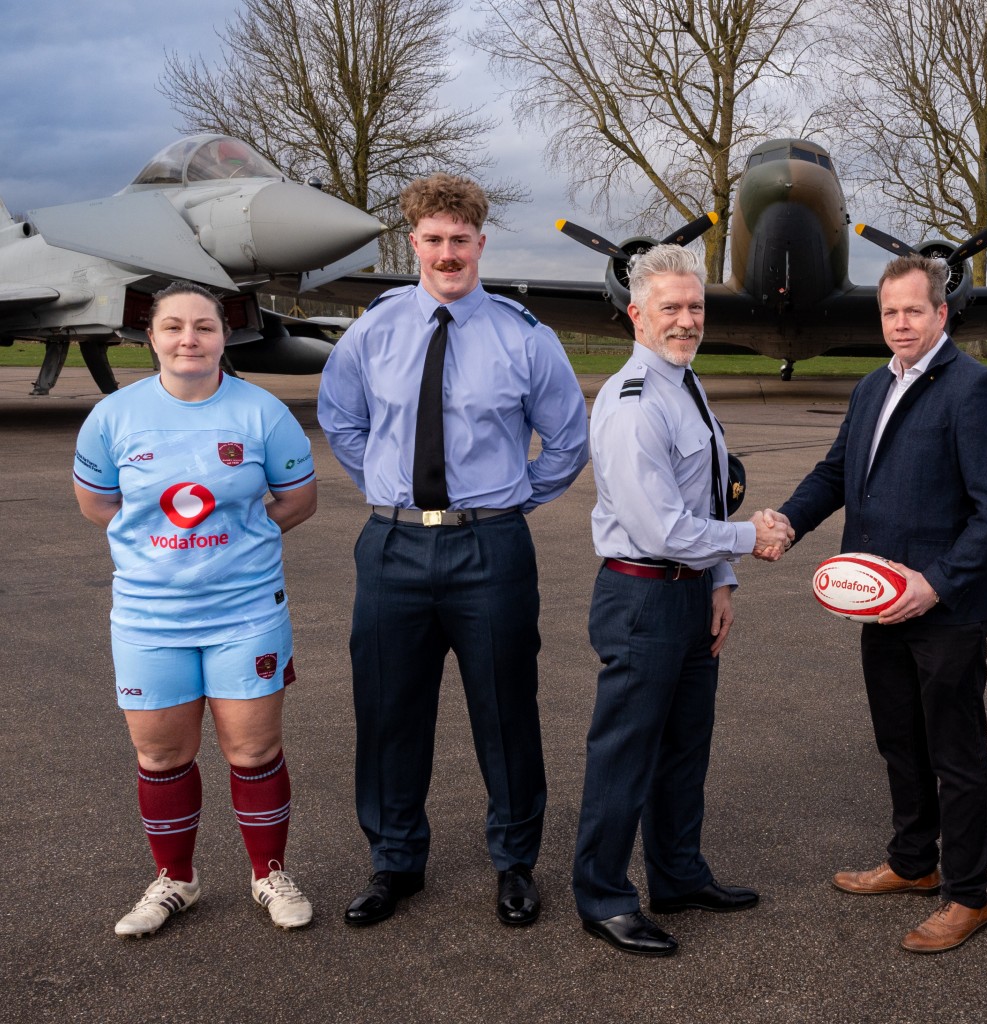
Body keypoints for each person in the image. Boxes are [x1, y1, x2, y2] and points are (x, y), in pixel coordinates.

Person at [317, 173, 589, 928]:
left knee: (505, 711)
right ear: (413, 243)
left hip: (491, 550)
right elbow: (341, 419)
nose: (446, 254)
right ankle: (394, 861)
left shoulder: (523, 334)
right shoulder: (372, 329)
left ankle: (514, 862)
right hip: (393, 546)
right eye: (433, 240)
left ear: (480, 243)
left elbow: (568, 439)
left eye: (459, 241)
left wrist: (508, 502)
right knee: (387, 709)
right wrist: (386, 488)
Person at [763, 254, 987, 954]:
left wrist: (934, 583)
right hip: (876, 603)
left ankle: (967, 896)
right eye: (889, 312)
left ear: (942, 313)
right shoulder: (872, 387)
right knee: (899, 741)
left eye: (913, 310)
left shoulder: (974, 388)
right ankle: (913, 863)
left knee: (956, 754)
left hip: (945, 609)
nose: (900, 323)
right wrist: (788, 521)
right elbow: (836, 472)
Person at [73, 280, 318, 937]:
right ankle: (174, 880)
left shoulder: (262, 413)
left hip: (245, 612)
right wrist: (162, 555)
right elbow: (98, 505)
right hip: (149, 618)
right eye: (174, 326)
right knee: (160, 758)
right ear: (150, 336)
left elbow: (297, 501)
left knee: (254, 750)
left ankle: (269, 873)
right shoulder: (113, 418)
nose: (189, 339)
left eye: (204, 327)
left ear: (225, 335)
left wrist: (233, 553)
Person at [573, 244, 789, 957]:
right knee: (626, 755)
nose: (687, 319)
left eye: (695, 307)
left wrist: (721, 581)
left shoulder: (684, 384)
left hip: (691, 593)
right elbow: (658, 527)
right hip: (643, 597)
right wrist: (746, 539)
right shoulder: (636, 401)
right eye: (671, 307)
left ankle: (677, 875)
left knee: (683, 751)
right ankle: (603, 896)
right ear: (637, 314)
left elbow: (698, 494)